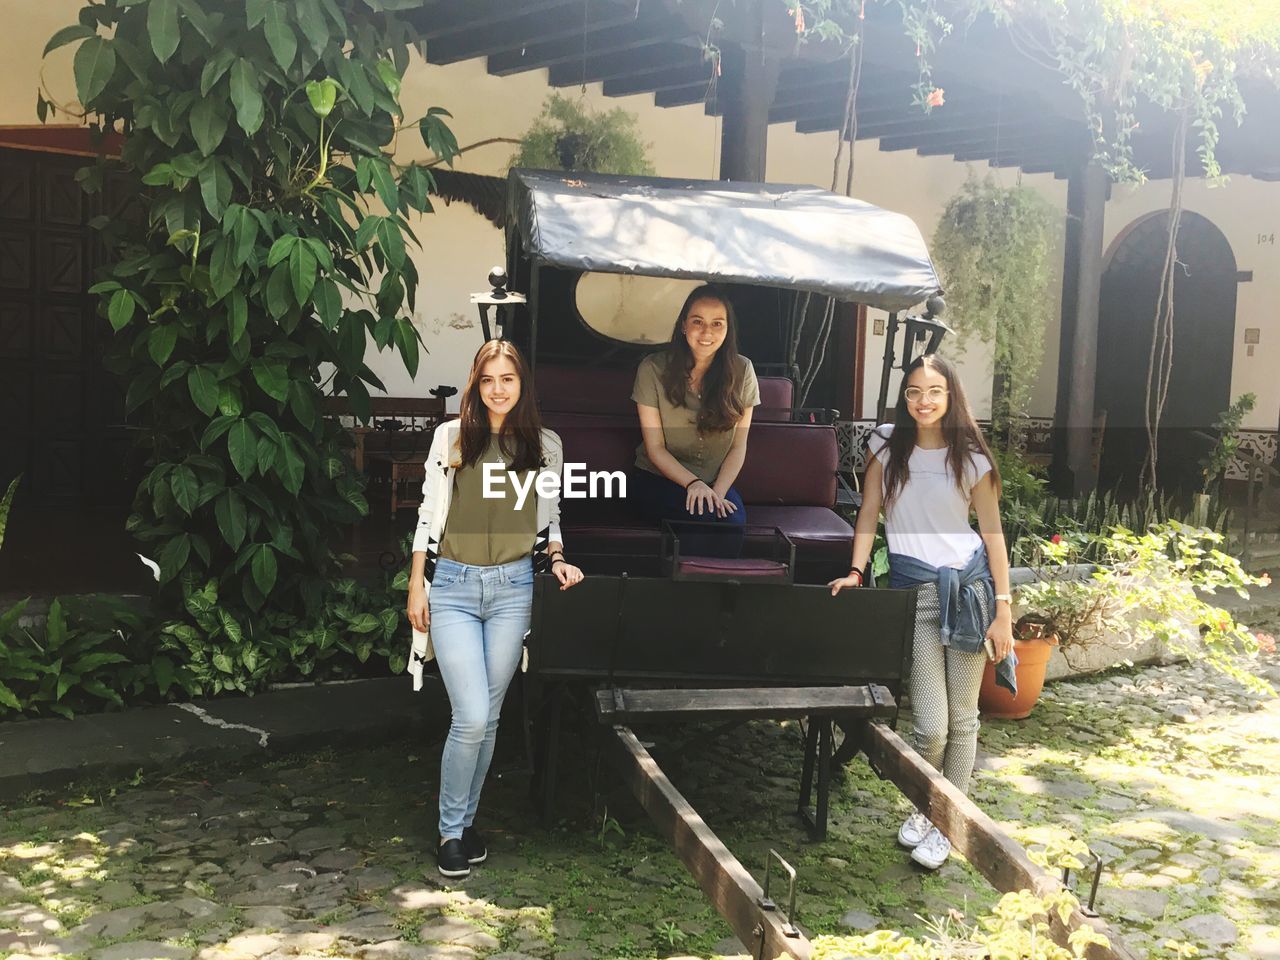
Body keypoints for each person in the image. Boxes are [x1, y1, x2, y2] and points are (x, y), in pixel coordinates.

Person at [828, 354, 1016, 870]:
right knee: (930, 725)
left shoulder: (972, 458)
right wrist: (857, 570)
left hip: (970, 594)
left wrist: (1004, 609)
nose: (923, 401)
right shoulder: (886, 446)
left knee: (963, 720)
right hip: (914, 593)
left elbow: (994, 535)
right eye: (914, 391)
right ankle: (925, 804)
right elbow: (868, 510)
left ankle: (947, 821)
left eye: (934, 391)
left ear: (951, 396)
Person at [405, 340, 584, 880]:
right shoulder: (451, 437)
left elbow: (548, 522)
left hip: (513, 592)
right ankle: (450, 832)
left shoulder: (545, 446)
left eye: (508, 378)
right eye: (488, 379)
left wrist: (558, 561)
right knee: (473, 716)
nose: (498, 389)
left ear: (522, 385)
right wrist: (417, 584)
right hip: (456, 588)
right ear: (476, 385)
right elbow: (426, 514)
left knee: (491, 717)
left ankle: (464, 822)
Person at [630, 285, 760, 557]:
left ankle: (723, 595)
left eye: (717, 324)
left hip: (715, 481)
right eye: (698, 322)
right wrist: (693, 484)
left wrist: (719, 492)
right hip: (659, 479)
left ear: (728, 330)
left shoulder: (743, 370)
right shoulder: (652, 369)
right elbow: (655, 448)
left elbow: (738, 446)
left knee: (732, 523)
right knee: (698, 518)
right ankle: (685, 595)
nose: (707, 332)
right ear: (683, 326)